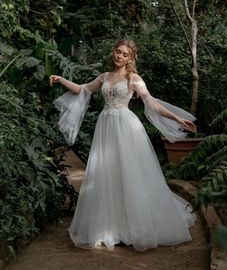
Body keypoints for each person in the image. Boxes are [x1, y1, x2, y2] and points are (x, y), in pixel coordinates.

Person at [50, 40, 197, 252]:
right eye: (118, 51)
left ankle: (133, 226)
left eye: (124, 54)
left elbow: (151, 102)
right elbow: (83, 90)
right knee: (107, 174)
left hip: (126, 128)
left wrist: (176, 118)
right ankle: (111, 227)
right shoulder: (105, 77)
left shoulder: (133, 79)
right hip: (106, 127)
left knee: (129, 174)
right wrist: (62, 79)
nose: (119, 56)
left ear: (131, 59)